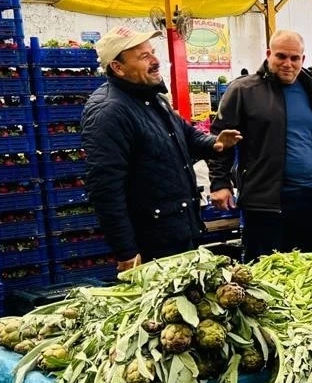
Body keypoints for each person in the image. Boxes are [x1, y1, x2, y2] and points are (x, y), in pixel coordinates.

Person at [82, 27, 243, 272]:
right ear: (117, 67)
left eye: (153, 52)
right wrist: (126, 251)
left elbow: (186, 135)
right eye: (144, 56)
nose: (155, 60)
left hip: (179, 229)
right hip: (151, 242)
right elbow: (105, 189)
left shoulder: (153, 99)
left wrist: (215, 144)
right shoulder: (109, 111)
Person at [209, 30, 312, 260]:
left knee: (301, 266)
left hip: (306, 198)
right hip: (263, 200)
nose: (288, 64)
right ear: (268, 54)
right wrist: (220, 183)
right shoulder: (243, 91)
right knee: (263, 267)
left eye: (294, 58)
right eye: (281, 56)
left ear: (303, 59)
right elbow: (220, 141)